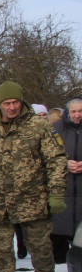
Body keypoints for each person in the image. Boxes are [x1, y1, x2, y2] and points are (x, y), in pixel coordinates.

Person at [0, 81, 69, 272]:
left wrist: (56, 193)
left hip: (33, 201)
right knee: (0, 255)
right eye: (7, 103)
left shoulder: (38, 126)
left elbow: (56, 160)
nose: (12, 107)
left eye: (16, 103)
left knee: (41, 252)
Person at [50, 98, 82, 262]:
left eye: (80, 111)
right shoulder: (56, 129)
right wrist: (64, 163)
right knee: (58, 251)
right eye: (74, 111)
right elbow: (47, 155)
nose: (77, 115)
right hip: (63, 191)